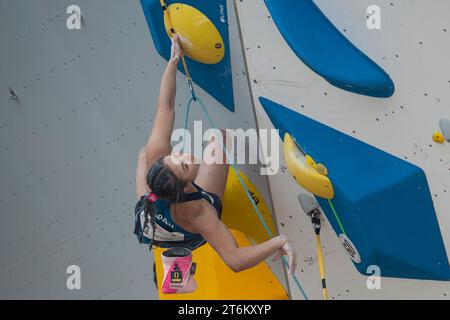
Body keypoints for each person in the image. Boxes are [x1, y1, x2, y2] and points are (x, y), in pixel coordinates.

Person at [134, 35, 297, 282]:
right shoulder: (200, 213)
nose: (185, 154)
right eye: (186, 164)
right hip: (178, 232)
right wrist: (278, 242)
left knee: (145, 152)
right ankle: (176, 262)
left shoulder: (157, 158)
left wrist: (173, 61)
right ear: (189, 185)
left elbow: (164, 106)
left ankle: (166, 250)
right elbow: (235, 261)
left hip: (150, 216)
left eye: (175, 156)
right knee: (220, 139)